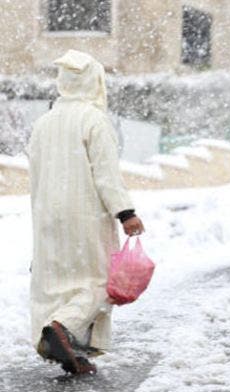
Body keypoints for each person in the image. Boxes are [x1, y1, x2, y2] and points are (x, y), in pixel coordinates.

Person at [27, 50, 145, 375]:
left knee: (57, 284)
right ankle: (62, 329)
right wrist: (125, 213)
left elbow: (34, 176)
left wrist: (39, 220)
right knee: (100, 282)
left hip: (48, 216)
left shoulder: (43, 123)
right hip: (85, 217)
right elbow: (106, 174)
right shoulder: (93, 119)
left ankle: (72, 351)